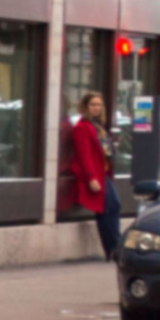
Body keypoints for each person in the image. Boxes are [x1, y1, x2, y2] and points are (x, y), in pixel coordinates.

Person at [64, 91, 120, 258]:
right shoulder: (82, 127)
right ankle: (113, 248)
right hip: (95, 175)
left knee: (113, 206)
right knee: (108, 207)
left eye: (99, 105)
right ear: (85, 106)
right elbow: (84, 154)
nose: (96, 108)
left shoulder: (98, 126)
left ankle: (113, 247)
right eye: (93, 105)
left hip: (103, 173)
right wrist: (90, 178)